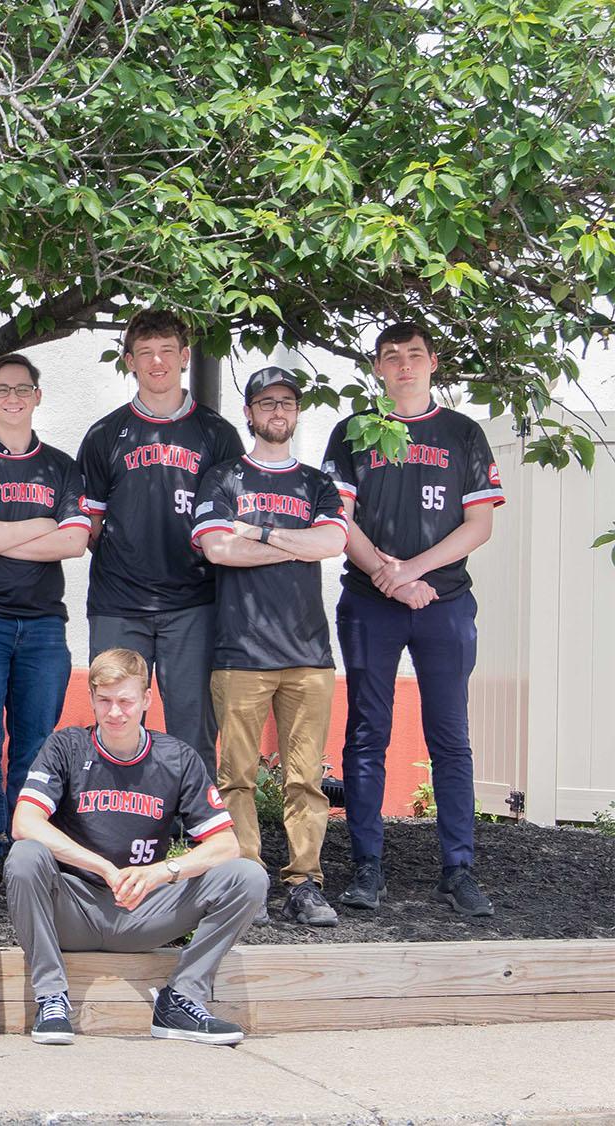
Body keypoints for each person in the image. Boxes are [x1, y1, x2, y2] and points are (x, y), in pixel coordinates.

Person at [321, 322, 505, 917]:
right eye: (391, 356)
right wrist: (387, 577)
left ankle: (459, 869)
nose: (403, 365)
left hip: (444, 604)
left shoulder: (462, 433)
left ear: (432, 364)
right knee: (368, 731)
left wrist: (412, 573)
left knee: (450, 737)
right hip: (371, 605)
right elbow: (339, 519)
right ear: (377, 367)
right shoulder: (352, 432)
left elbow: (479, 524)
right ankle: (367, 866)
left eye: (415, 355)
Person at [7, 648, 267, 1047]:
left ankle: (181, 999)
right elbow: (24, 823)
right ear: (91, 698)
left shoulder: (176, 758)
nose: (115, 713)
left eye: (126, 701)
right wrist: (104, 868)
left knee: (248, 876)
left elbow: (225, 845)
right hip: (75, 907)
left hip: (146, 908)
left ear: (147, 699)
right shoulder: (66, 748)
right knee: (25, 856)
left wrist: (161, 872)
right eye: (105, 701)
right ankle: (51, 997)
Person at [191, 368, 349, 926]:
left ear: (296, 411)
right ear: (249, 413)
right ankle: (247, 880)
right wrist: (296, 545)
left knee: (305, 778)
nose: (276, 411)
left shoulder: (316, 483)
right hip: (240, 653)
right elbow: (216, 549)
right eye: (265, 403)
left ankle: (305, 884)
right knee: (235, 775)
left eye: (286, 402)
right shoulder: (223, 477)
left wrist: (258, 532)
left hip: (308, 655)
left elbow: (332, 540)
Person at [76, 310, 245, 755]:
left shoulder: (217, 433)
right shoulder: (105, 435)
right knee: (117, 723)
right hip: (119, 603)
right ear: (129, 360)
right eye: (146, 353)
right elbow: (91, 526)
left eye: (167, 351)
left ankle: (196, 825)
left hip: (194, 602)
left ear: (185, 356)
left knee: (195, 729)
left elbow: (234, 519)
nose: (157, 362)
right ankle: (120, 822)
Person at [0, 353, 90, 861]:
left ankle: (24, 843)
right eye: (2, 390)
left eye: (22, 389)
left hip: (44, 625)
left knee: (35, 741)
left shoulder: (61, 466)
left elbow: (75, 541)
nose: (12, 398)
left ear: (37, 397)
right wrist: (38, 526)